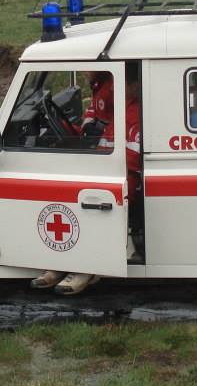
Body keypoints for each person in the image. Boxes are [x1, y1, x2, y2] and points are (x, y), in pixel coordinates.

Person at [31, 69, 142, 295]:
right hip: (106, 166)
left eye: (120, 85)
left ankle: (86, 268)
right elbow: (104, 135)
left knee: (83, 197)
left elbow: (132, 155)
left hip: (123, 175)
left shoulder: (136, 112)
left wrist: (96, 155)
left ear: (134, 86)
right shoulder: (123, 107)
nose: (113, 90)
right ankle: (61, 262)